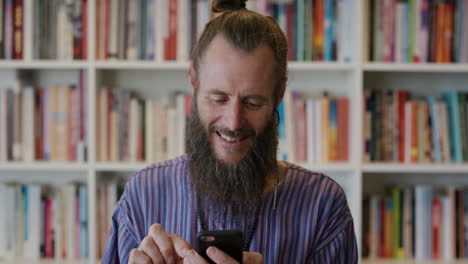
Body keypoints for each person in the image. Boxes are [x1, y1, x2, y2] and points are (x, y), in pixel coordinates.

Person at [102, 0, 358, 263]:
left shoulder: (324, 207)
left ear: (279, 94)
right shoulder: (142, 196)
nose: (234, 122)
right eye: (218, 98)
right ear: (194, 81)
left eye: (252, 103)